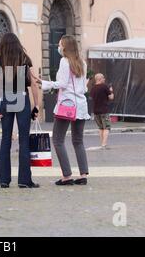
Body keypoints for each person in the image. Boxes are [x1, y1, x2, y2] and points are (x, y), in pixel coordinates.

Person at [0, 33, 41, 189]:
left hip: (6, 98)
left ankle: (3, 180)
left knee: (5, 139)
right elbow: (34, 83)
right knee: (24, 140)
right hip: (21, 97)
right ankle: (24, 180)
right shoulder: (25, 59)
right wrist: (37, 105)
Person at [41, 35, 90, 186]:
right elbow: (83, 86)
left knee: (58, 140)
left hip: (67, 105)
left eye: (61, 44)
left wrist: (45, 83)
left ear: (65, 47)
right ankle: (83, 174)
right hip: (81, 104)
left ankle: (67, 175)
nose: (59, 47)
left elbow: (62, 83)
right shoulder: (82, 63)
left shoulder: (64, 61)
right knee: (78, 140)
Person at [90, 73, 114, 150]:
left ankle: (102, 143)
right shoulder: (104, 86)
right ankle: (104, 144)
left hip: (96, 111)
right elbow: (111, 97)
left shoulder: (93, 88)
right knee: (106, 127)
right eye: (103, 78)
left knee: (101, 128)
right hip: (104, 110)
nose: (104, 79)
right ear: (99, 79)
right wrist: (111, 91)